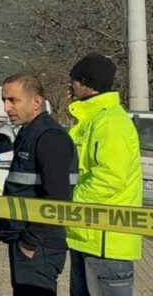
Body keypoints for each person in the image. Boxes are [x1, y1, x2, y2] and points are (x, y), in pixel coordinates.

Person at [65, 54, 142, 296]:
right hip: (87, 238)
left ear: (86, 83)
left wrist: (70, 202)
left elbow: (110, 178)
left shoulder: (111, 122)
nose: (70, 84)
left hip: (107, 245)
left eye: (74, 79)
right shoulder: (93, 119)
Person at [0, 74, 78, 296]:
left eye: (13, 100)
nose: (6, 107)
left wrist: (29, 241)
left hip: (39, 245)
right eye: (4, 100)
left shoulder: (49, 137)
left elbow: (57, 198)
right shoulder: (29, 133)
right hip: (26, 239)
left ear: (36, 102)